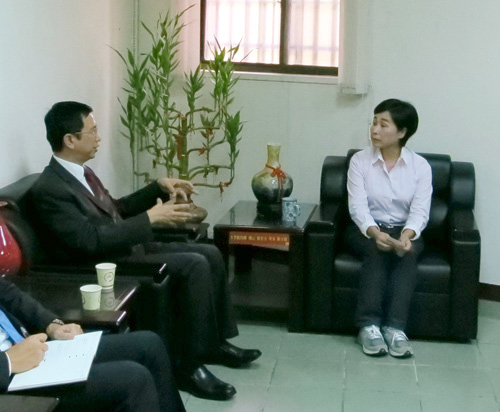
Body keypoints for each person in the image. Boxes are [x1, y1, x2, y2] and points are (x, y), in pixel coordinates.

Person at [29, 101, 261, 401]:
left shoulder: (82, 173)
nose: (98, 138)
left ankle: (214, 344)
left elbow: (116, 209)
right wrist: (150, 219)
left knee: (210, 252)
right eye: (92, 131)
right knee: (194, 264)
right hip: (106, 264)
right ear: (70, 140)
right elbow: (88, 240)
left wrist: (157, 188)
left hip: (125, 247)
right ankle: (188, 367)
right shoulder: (49, 189)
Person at [0, 276, 185, 412]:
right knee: (134, 379)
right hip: (8, 382)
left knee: (148, 344)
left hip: (29, 350)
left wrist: (52, 325)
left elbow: (7, 292)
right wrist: (8, 361)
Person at [346, 98, 432, 358]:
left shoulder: (420, 167)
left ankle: (395, 328)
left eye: (384, 125)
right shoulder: (360, 161)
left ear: (402, 132)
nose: (375, 130)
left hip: (403, 229)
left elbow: (420, 210)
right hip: (365, 229)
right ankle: (368, 326)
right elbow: (357, 206)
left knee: (408, 254)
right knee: (376, 250)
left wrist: (407, 235)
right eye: (374, 122)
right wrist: (375, 232)